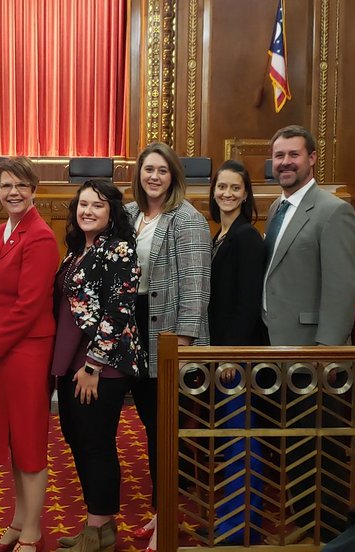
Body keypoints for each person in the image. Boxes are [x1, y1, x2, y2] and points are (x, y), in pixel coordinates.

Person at [262, 125, 355, 542]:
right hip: (276, 350)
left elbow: (343, 288)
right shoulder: (275, 209)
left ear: (313, 158)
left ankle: (330, 533)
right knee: (294, 448)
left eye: (293, 155)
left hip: (312, 354)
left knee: (320, 452)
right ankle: (306, 524)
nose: (284, 162)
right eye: (278, 155)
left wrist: (326, 352)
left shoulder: (332, 210)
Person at [52, 179, 147, 552]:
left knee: (97, 445)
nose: (87, 211)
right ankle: (100, 526)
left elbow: (120, 310)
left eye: (97, 205)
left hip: (101, 365)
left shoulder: (120, 249)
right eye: (83, 204)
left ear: (111, 213)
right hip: (72, 359)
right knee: (78, 440)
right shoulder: (77, 249)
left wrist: (93, 364)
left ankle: (99, 531)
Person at [124, 142, 211, 552]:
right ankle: (161, 512)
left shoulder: (187, 219)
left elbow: (196, 286)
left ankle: (168, 518)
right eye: (148, 170)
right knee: (150, 426)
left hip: (169, 336)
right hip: (136, 329)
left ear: (174, 175)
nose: (154, 176)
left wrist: (185, 344)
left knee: (167, 432)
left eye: (161, 170)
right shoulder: (130, 214)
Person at [0, 157, 59, 552]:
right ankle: (18, 521)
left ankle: (32, 531)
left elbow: (29, 304)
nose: (14, 192)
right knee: (12, 439)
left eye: (21, 185)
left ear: (34, 190)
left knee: (28, 440)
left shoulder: (40, 236)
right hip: (4, 348)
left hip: (28, 350)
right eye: (7, 185)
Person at [207, 160, 269, 545]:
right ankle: (228, 519)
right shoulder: (222, 234)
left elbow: (248, 303)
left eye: (235, 188)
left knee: (243, 442)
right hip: (223, 356)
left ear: (246, 194)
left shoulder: (247, 237)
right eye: (221, 187)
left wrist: (230, 354)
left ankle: (241, 526)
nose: (227, 194)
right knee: (230, 442)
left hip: (239, 361)